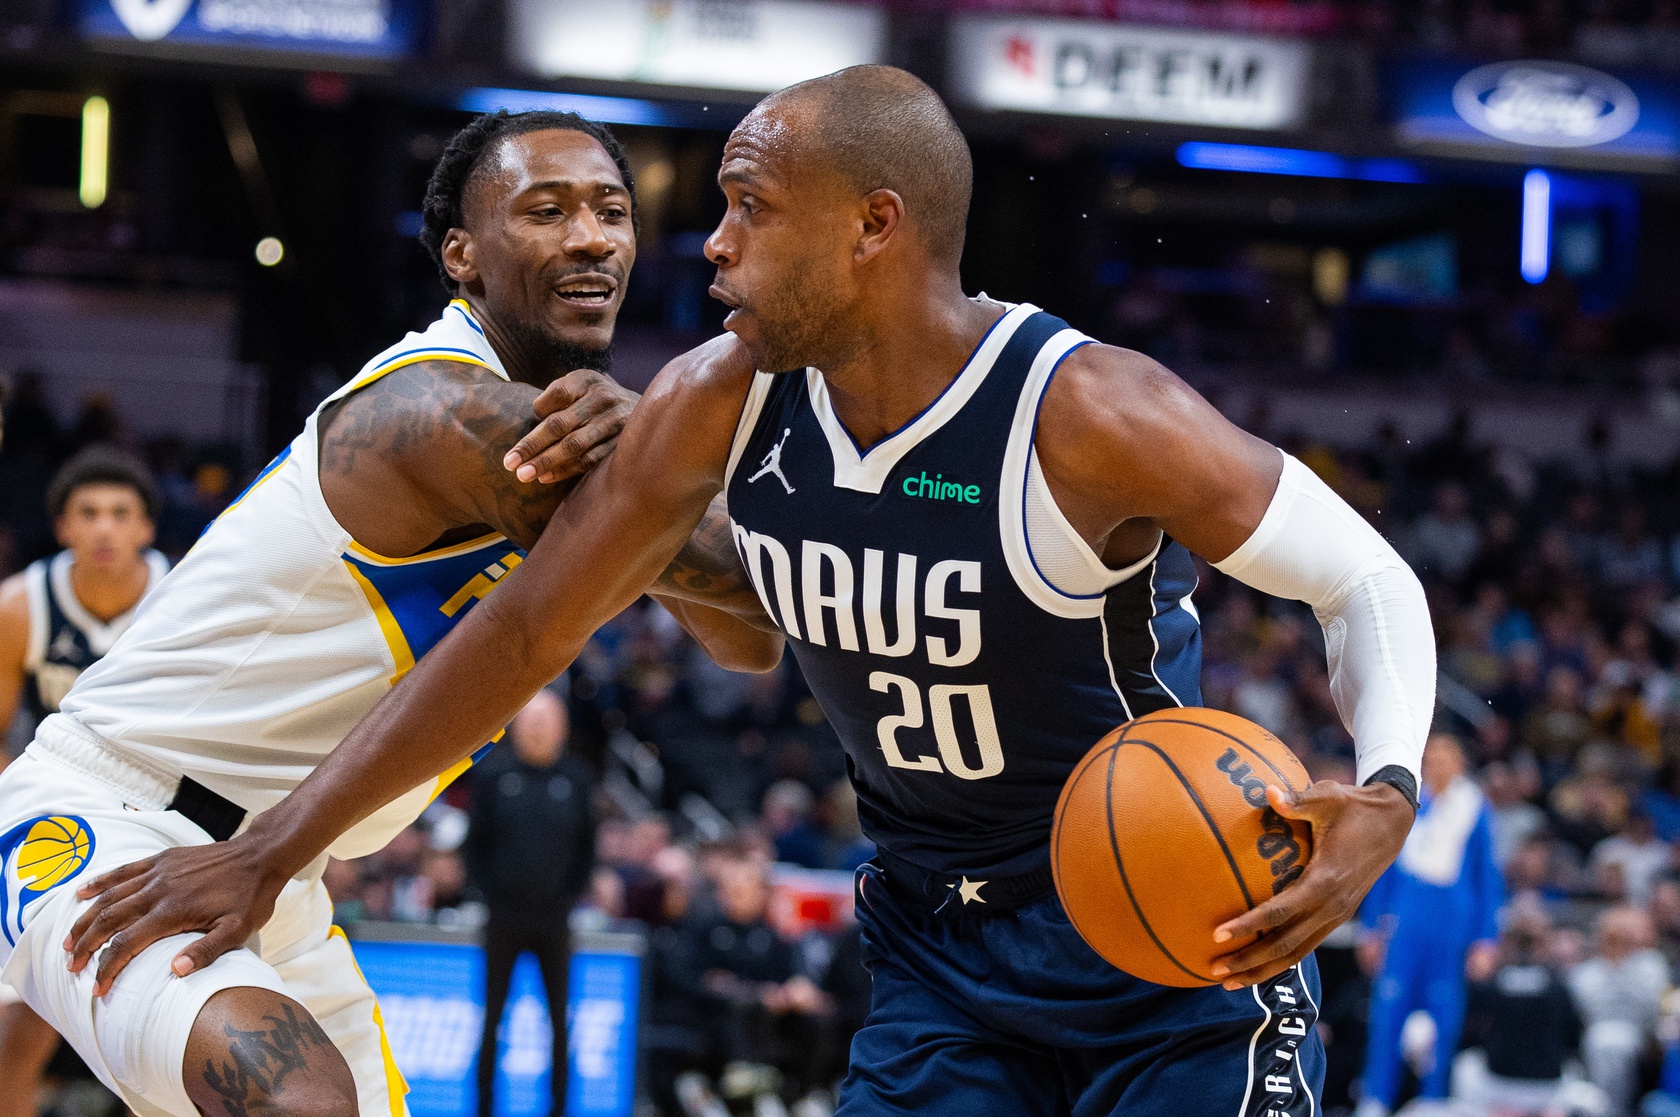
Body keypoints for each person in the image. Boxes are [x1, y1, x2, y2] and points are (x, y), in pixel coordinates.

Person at [72, 68, 1435, 1116]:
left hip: (1170, 944)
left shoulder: (1090, 411)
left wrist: (1387, 788)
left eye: (750, 207)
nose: (711, 244)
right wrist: (276, 846)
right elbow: (529, 628)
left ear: (873, 227)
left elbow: (1361, 576)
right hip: (938, 956)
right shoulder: (716, 401)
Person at [0, 109, 776, 1117]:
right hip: (111, 822)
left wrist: (649, 457)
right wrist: (657, 459)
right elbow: (723, 584)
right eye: (546, 210)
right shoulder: (433, 412)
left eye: (612, 211)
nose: (592, 236)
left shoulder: (583, 442)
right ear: (461, 254)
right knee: (298, 1100)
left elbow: (750, 632)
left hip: (275, 866)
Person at [0, 446, 167, 1117]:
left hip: (156, 813)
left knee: (154, 1026)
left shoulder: (182, 597)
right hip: (51, 812)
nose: (104, 528)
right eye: (88, 512)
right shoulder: (19, 606)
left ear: (146, 528)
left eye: (120, 513)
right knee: (18, 1031)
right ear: (62, 527)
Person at [1357, 732, 1505, 1117]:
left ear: (1459, 764)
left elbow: (1487, 878)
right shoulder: (1410, 801)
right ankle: (1375, 1098)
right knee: (1388, 1011)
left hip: (1451, 925)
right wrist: (1370, 928)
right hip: (1405, 919)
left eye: (1443, 759)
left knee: (1444, 1016)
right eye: (1430, 759)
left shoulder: (1474, 808)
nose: (1435, 766)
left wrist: (1486, 939)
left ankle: (1432, 1100)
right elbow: (1384, 868)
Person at [465, 687, 595, 1117]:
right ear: (517, 727)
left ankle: (559, 1109)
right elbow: (475, 846)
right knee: (492, 1019)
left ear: (563, 729)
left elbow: (588, 849)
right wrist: (489, 895)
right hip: (502, 917)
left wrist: (568, 897)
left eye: (547, 721)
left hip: (556, 919)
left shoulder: (577, 778)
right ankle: (483, 1108)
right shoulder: (493, 775)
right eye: (531, 721)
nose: (538, 729)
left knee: (559, 1021)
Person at [1570, 906, 1668, 1117]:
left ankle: (1619, 1109)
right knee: (1603, 1040)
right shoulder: (1586, 972)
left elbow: (1653, 1010)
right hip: (1594, 1038)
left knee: (1614, 1042)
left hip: (1644, 1040)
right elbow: (1582, 1014)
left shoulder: (1651, 965)